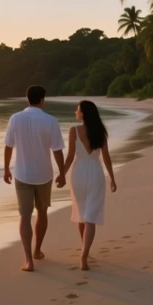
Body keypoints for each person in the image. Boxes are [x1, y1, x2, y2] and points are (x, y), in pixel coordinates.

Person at [3, 85, 66, 272]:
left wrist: (6, 169)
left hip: (22, 174)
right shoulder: (50, 120)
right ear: (42, 100)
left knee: (25, 216)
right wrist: (62, 173)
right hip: (44, 174)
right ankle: (37, 250)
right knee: (42, 212)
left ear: (27, 98)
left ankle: (28, 260)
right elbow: (57, 150)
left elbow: (8, 146)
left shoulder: (15, 118)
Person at [56, 100, 117, 270]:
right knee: (90, 215)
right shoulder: (100, 131)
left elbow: (70, 157)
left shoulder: (74, 130)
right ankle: (84, 253)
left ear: (83, 113)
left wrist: (62, 174)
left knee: (82, 213)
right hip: (96, 173)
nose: (76, 112)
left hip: (79, 174)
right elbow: (106, 157)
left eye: (77, 110)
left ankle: (84, 251)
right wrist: (112, 178)